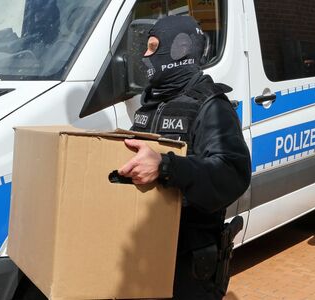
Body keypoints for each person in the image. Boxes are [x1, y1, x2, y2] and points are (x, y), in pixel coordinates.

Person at [118, 16, 251, 299]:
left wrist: (167, 166)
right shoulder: (150, 104)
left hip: (189, 262)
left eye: (153, 48)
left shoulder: (211, 106)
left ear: (179, 50)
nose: (145, 56)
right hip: (148, 253)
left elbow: (232, 172)